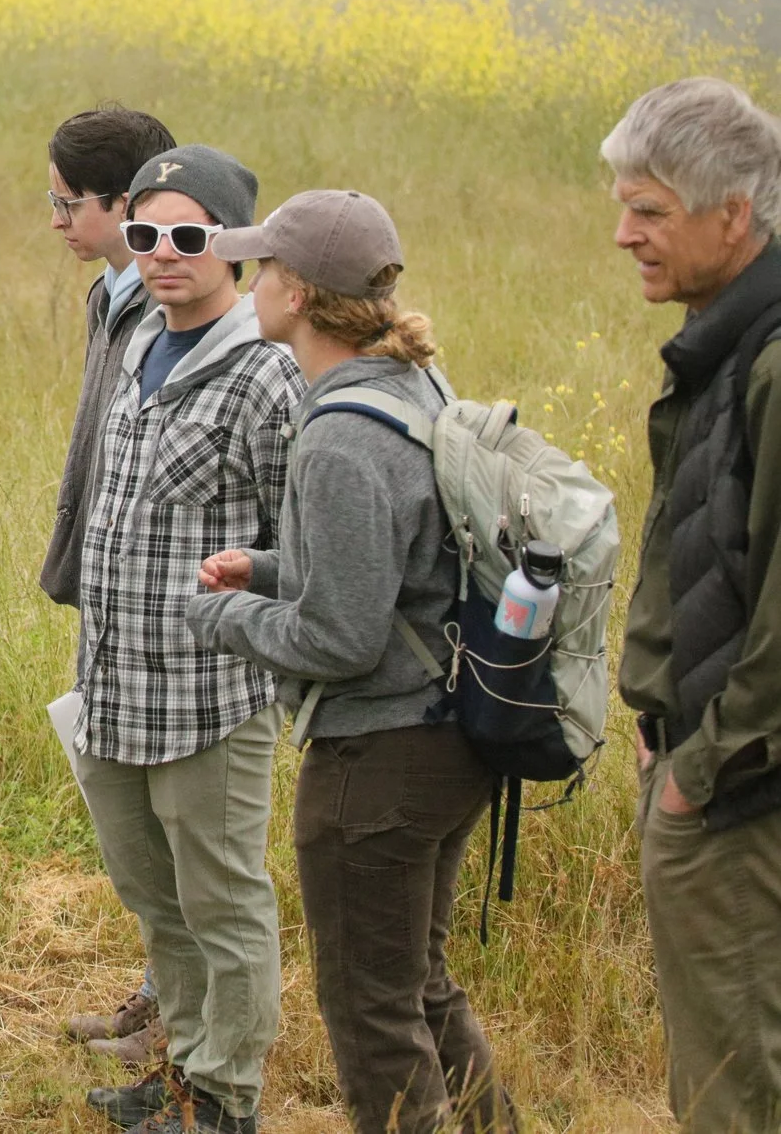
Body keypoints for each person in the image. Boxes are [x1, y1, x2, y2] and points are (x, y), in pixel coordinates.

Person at [186, 190, 517, 1134]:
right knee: (419, 983)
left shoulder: (337, 436)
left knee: (372, 1012)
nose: (247, 283)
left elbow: (341, 637)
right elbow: (400, 569)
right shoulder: (415, 388)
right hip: (453, 732)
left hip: (378, 760)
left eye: (261, 269)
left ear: (296, 292)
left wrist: (225, 614)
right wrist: (271, 567)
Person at [69, 145, 302, 1134]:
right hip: (115, 684)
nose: (163, 254)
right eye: (145, 234)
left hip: (211, 691)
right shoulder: (135, 341)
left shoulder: (265, 373)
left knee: (221, 899)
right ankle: (178, 1068)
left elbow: (302, 536)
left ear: (234, 246)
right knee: (152, 894)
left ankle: (223, 1096)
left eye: (188, 236)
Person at [601, 77, 781, 1134]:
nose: (623, 234)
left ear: (734, 214)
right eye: (623, 206)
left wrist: (701, 768)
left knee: (732, 1090)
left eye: (650, 210)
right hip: (718, 768)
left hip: (742, 793)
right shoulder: (728, 344)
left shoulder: (767, 363)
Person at [42, 104, 178, 1071]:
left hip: (160, 603)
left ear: (123, 204)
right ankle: (161, 992)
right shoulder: (110, 291)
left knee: (173, 822)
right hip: (106, 584)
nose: (53, 219)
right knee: (126, 811)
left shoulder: (170, 301)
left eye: (65, 203)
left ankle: (186, 1025)